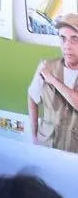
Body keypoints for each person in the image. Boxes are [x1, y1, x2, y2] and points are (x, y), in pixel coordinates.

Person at [28, 12, 78, 153]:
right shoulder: (46, 66)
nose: (67, 46)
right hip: (48, 146)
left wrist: (52, 80)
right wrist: (34, 134)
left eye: (75, 39)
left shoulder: (48, 73)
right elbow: (32, 97)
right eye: (63, 38)